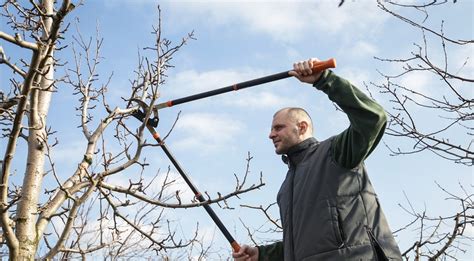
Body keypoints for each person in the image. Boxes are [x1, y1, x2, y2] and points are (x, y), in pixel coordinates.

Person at [232, 58, 402, 261]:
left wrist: (324, 79)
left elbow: (373, 118)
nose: (271, 134)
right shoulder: (285, 190)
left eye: (279, 128)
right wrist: (262, 254)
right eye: (271, 129)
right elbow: (305, 245)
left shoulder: (335, 152)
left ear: (302, 127)